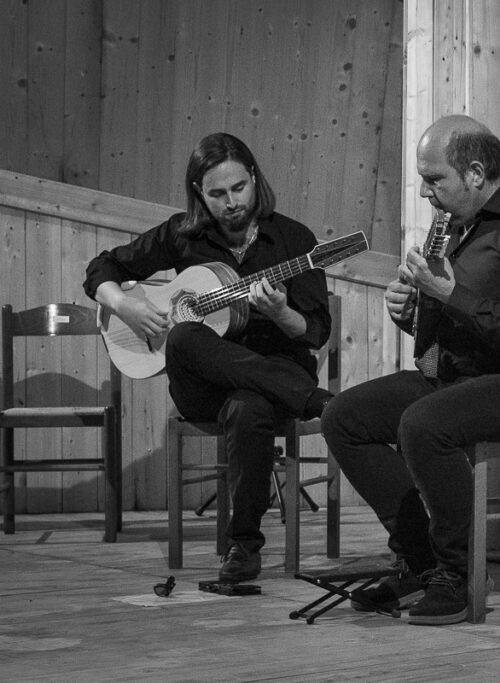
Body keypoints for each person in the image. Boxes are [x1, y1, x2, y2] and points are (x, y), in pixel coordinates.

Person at [320, 114, 500, 625]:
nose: (425, 192)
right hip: (465, 377)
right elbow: (449, 328)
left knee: (424, 423)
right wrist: (412, 312)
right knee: (344, 417)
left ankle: (456, 573)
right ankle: (418, 561)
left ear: (478, 173)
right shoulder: (453, 223)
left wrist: (447, 292)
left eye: (434, 179)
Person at [84, 132, 334, 582]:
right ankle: (318, 401)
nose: (232, 202)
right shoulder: (183, 234)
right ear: (200, 193)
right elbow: (102, 268)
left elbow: (315, 331)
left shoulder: (295, 240)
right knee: (182, 338)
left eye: (239, 188)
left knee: (249, 406)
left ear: (254, 179)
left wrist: (281, 314)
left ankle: (243, 546)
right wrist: (127, 306)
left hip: (274, 376)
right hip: (205, 386)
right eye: (217, 194)